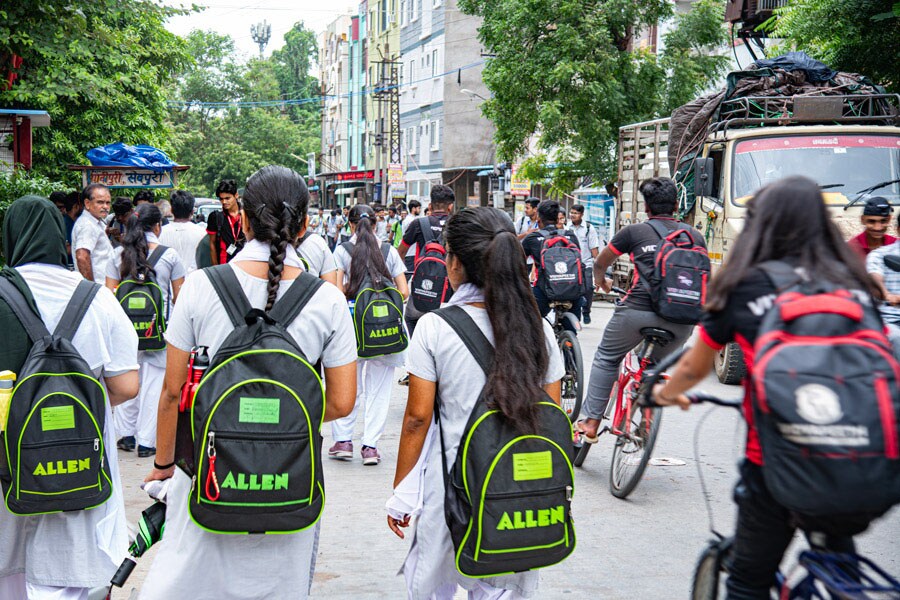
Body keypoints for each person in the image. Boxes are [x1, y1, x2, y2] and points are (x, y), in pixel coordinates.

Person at [652, 176, 881, 599]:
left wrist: (664, 394)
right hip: (861, 462)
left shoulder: (745, 284)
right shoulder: (855, 280)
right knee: (840, 567)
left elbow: (694, 368)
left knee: (747, 580)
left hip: (776, 464)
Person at [140, 165, 357, 599]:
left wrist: (163, 467)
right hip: (289, 476)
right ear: (306, 224)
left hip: (207, 468)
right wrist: (281, 420)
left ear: (241, 219)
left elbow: (170, 392)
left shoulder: (200, 287)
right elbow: (342, 402)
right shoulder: (329, 300)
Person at [387, 206, 563, 599]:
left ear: (454, 263)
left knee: (437, 583)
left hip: (452, 491)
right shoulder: (541, 331)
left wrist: (402, 492)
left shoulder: (435, 327)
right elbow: (553, 423)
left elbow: (417, 418)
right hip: (516, 489)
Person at [0, 195, 139, 600]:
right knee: (72, 571)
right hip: (80, 461)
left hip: (9, 459)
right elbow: (127, 385)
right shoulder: (97, 299)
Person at [576, 177, 698, 441]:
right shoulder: (695, 236)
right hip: (682, 319)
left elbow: (600, 262)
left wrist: (602, 282)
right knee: (653, 364)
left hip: (636, 311)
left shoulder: (634, 232)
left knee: (608, 357)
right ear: (677, 205)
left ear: (646, 207)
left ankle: (591, 423)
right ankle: (647, 407)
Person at [329, 204, 409, 465]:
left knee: (351, 384)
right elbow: (404, 291)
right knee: (379, 390)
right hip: (384, 331)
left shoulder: (342, 250)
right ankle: (370, 447)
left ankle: (343, 441)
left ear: (350, 225)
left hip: (353, 329)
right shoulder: (388, 251)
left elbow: (336, 291)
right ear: (377, 225)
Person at [106, 203, 186, 458]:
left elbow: (109, 296)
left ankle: (126, 436)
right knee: (153, 387)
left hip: (124, 333)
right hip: (158, 332)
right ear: (157, 225)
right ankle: (147, 442)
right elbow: (179, 297)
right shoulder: (170, 255)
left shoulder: (117, 254)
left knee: (129, 379)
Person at [398, 184, 455, 336]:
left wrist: (403, 277)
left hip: (422, 290)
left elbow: (401, 252)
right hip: (448, 293)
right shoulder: (457, 224)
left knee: (411, 319)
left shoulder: (418, 224)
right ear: (450, 207)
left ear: (430, 205)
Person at [521, 200, 583, 323]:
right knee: (571, 323)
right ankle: (569, 338)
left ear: (539, 217)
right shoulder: (570, 236)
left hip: (544, 291)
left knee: (532, 322)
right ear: (557, 218)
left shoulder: (532, 238)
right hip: (572, 290)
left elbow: (518, 262)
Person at [72, 183, 115, 284]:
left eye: (108, 203)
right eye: (100, 202)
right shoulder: (87, 224)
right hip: (97, 288)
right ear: (87, 203)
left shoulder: (95, 222)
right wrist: (91, 288)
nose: (105, 207)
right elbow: (82, 257)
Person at [159, 189, 208, 273]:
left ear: (171, 210)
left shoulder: (160, 233)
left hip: (168, 283)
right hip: (194, 282)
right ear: (192, 212)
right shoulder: (202, 234)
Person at [866, 210, 900, 327]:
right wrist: (887, 294)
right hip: (891, 319)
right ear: (899, 230)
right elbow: (874, 275)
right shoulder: (880, 254)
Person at [569, 204, 601, 324]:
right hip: (571, 266)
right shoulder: (567, 227)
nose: (573, 215)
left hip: (585, 264)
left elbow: (594, 250)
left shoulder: (589, 228)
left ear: (582, 214)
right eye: (571, 212)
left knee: (588, 288)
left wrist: (599, 269)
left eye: (576, 213)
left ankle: (586, 311)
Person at [296, 206, 340, 287]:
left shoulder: (324, 219)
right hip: (315, 235)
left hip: (321, 235)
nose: (321, 212)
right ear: (306, 221)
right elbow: (331, 287)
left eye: (322, 211)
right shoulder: (317, 244)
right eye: (320, 211)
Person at [206, 179, 245, 265]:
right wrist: (215, 269)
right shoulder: (215, 217)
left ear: (236, 195)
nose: (224, 202)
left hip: (245, 263)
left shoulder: (247, 215)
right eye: (221, 199)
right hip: (224, 265)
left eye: (227, 198)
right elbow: (212, 244)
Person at [401, 199, 422, 276]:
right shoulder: (411, 220)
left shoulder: (408, 219)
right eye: (419, 208)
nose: (420, 210)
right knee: (409, 274)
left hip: (411, 252)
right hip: (411, 252)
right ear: (413, 209)